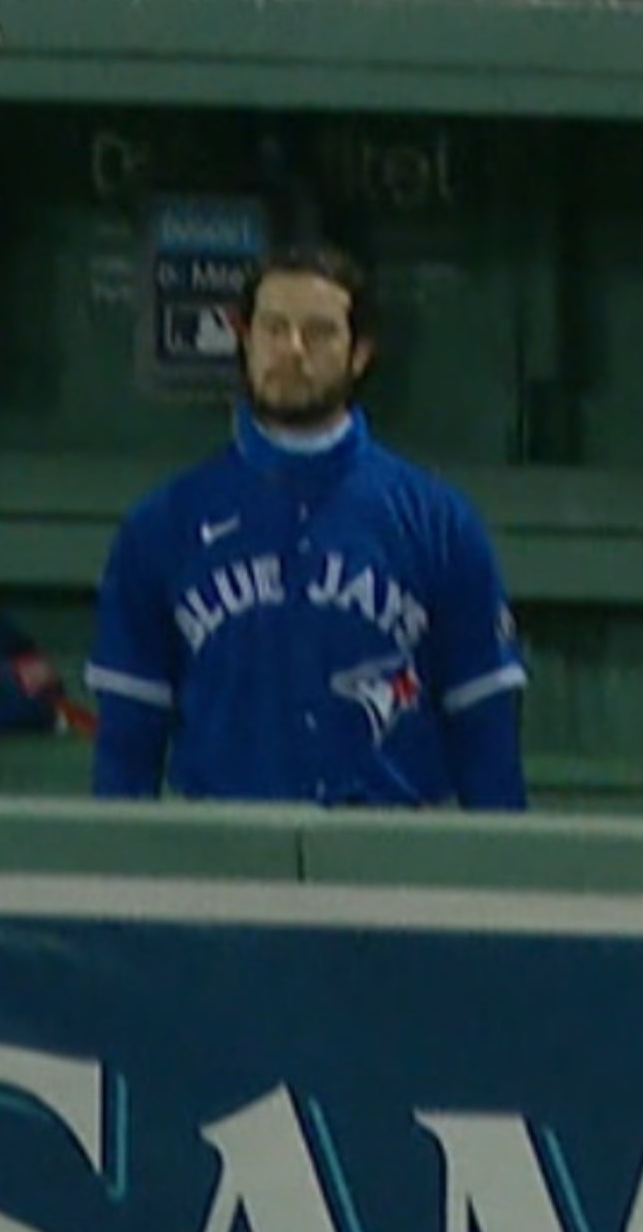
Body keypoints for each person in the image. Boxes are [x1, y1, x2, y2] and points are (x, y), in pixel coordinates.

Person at [86, 245, 527, 809]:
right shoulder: (162, 524)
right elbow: (127, 744)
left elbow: (485, 734)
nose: (292, 351)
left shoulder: (437, 521)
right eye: (274, 328)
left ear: (359, 351)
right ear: (244, 337)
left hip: (390, 853)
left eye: (318, 333)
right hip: (221, 859)